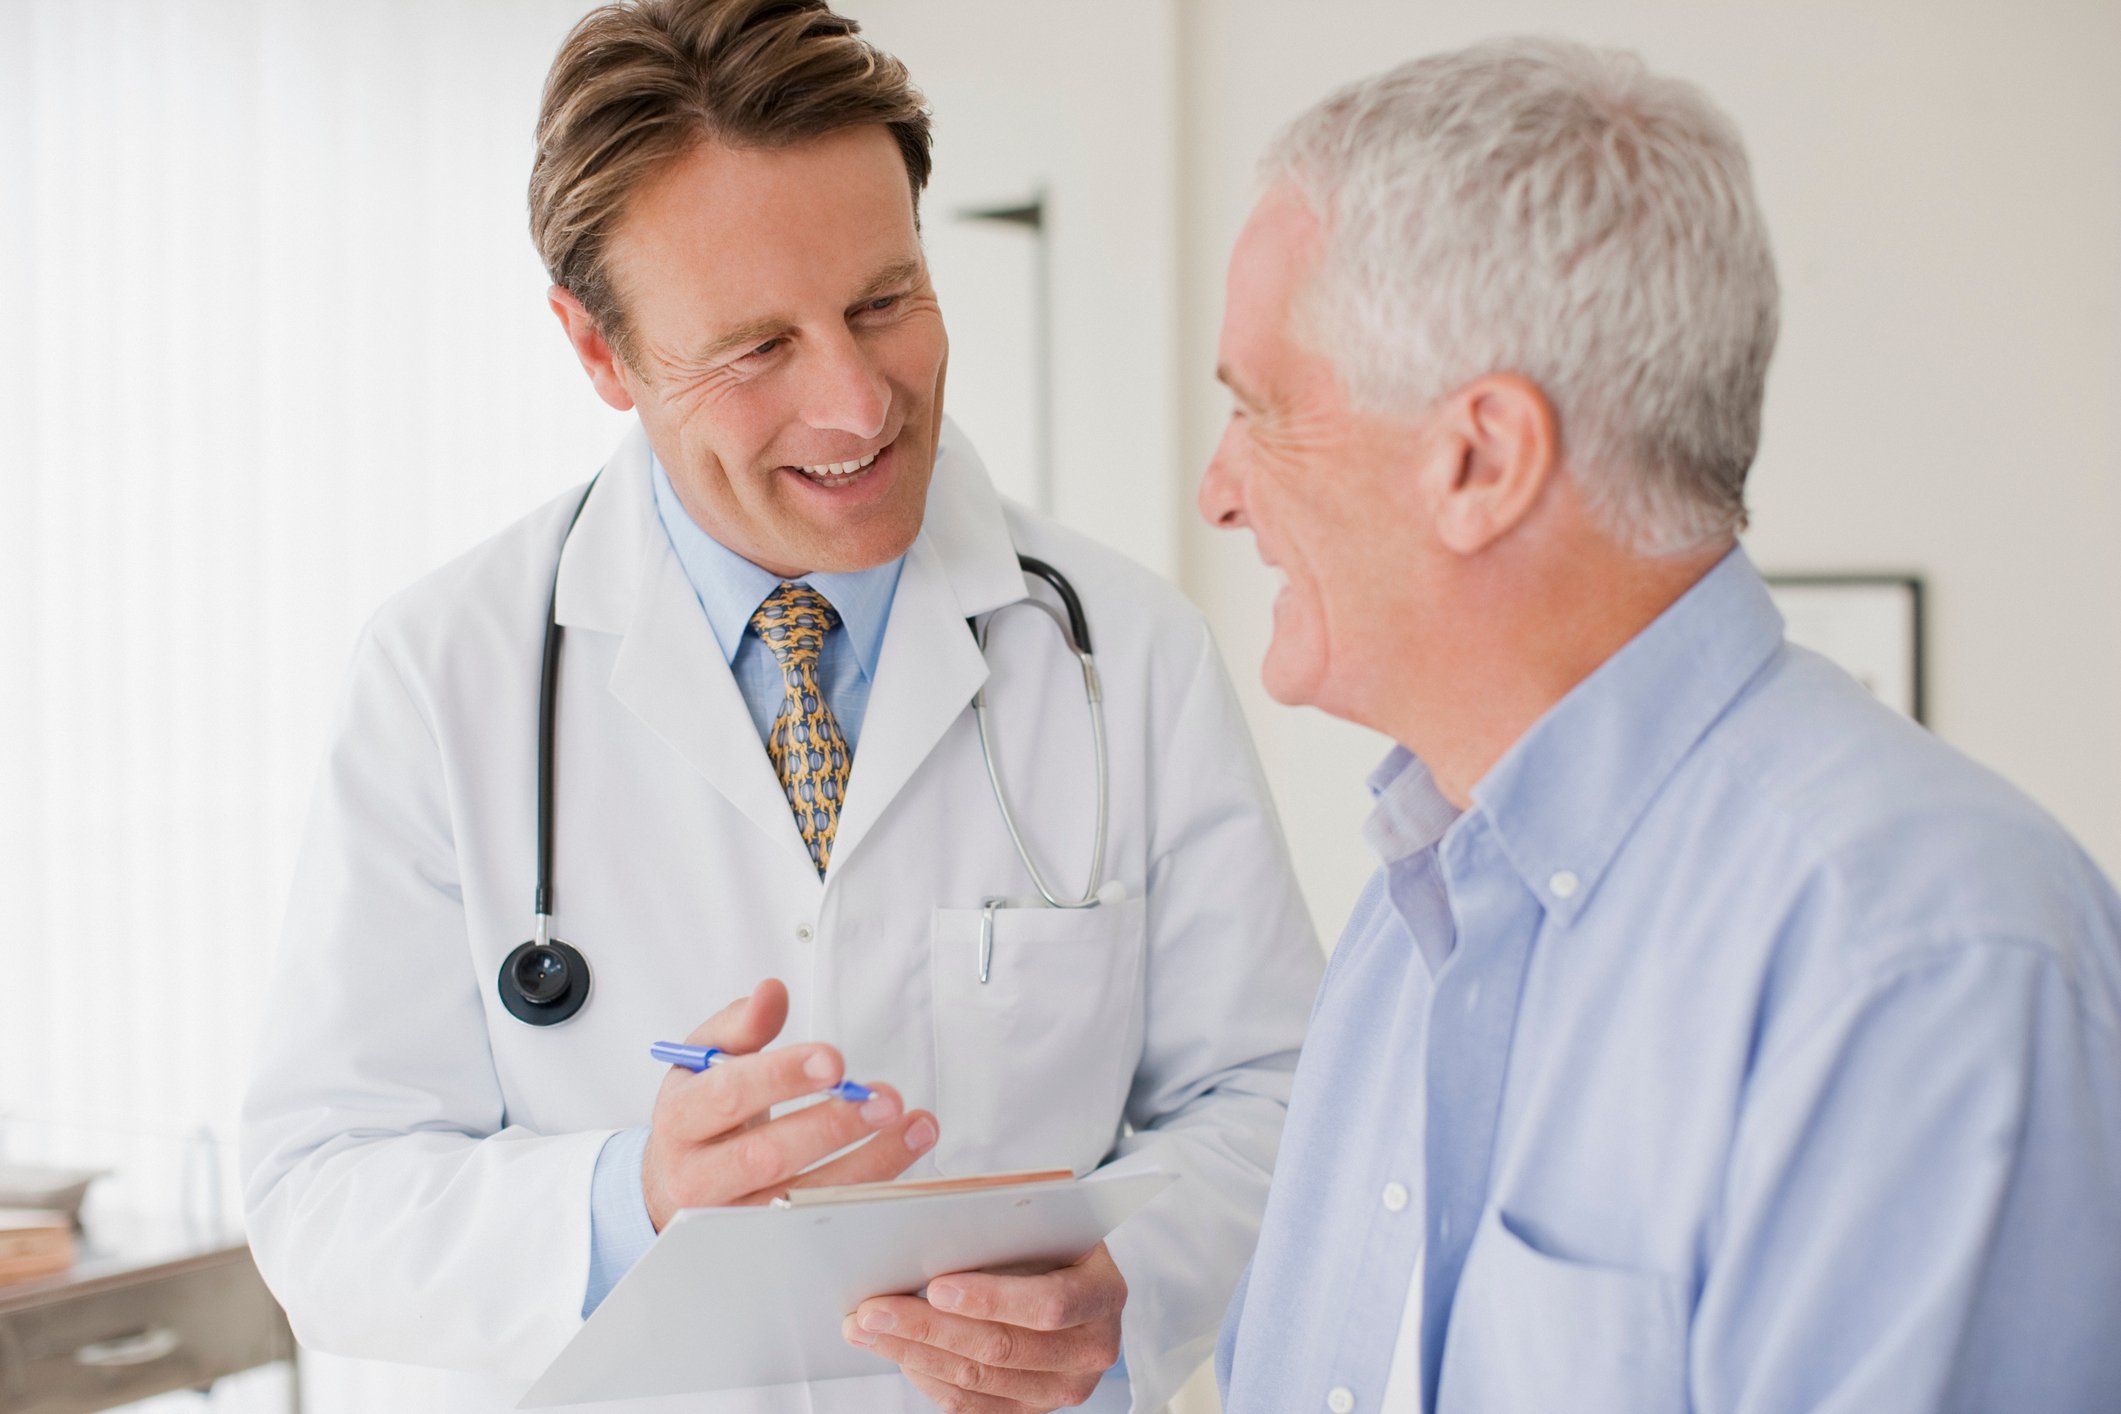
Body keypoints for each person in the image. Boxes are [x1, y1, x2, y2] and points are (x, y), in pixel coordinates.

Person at [239, 3, 1321, 1411]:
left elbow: (1288, 1101)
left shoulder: (1122, 649)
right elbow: (320, 1196)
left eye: (885, 301)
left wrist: (1136, 1283)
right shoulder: (447, 676)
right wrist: (629, 1200)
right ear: (597, 350)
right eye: (754, 348)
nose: (855, 403)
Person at [1203, 36, 2121, 1414]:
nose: (1220, 491)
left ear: (1480, 460)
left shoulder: (1922, 955)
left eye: (1260, 415)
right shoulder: (1411, 921)